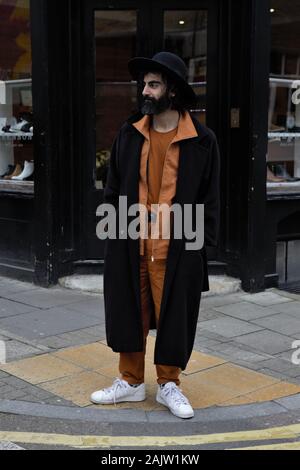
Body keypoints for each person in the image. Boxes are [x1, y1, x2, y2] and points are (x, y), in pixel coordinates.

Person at [91, 52, 220, 419]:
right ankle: (130, 382)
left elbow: (210, 198)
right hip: (131, 243)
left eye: (153, 84)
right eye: (144, 84)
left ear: (173, 91)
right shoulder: (129, 134)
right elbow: (112, 189)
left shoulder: (202, 140)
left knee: (176, 317)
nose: (145, 91)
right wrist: (115, 239)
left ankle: (168, 385)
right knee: (128, 311)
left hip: (176, 247)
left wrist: (197, 248)